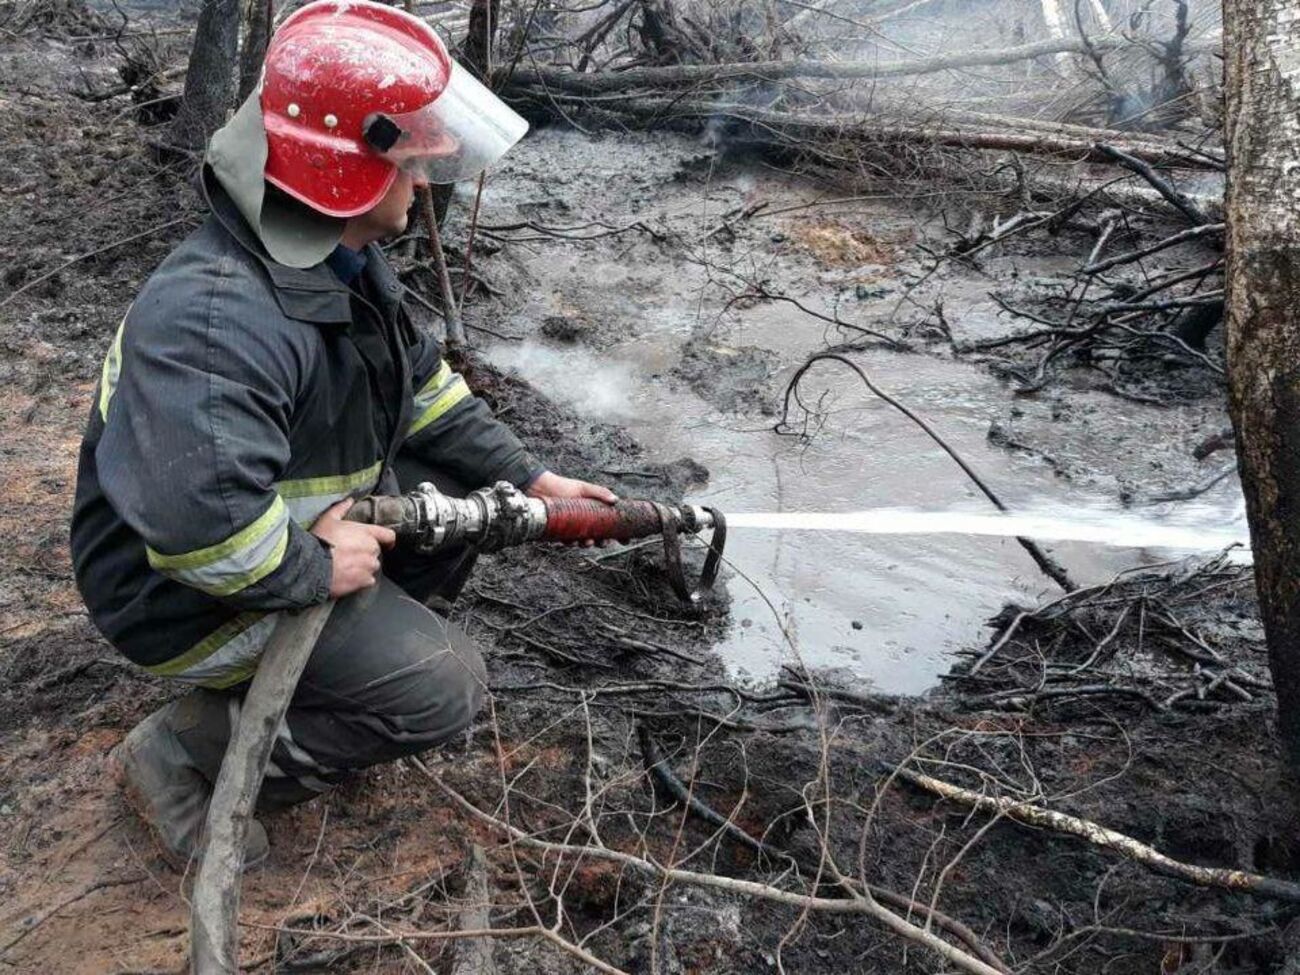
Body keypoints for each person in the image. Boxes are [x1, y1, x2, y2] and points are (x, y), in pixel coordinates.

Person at [70, 0, 613, 870]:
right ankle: (184, 755)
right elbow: (197, 532)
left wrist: (531, 477)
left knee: (454, 493)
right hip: (183, 597)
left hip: (265, 541)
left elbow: (422, 390)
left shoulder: (333, 256)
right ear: (343, 175)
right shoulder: (215, 324)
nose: (426, 177)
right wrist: (314, 568)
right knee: (444, 688)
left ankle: (331, 676)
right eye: (410, 160)